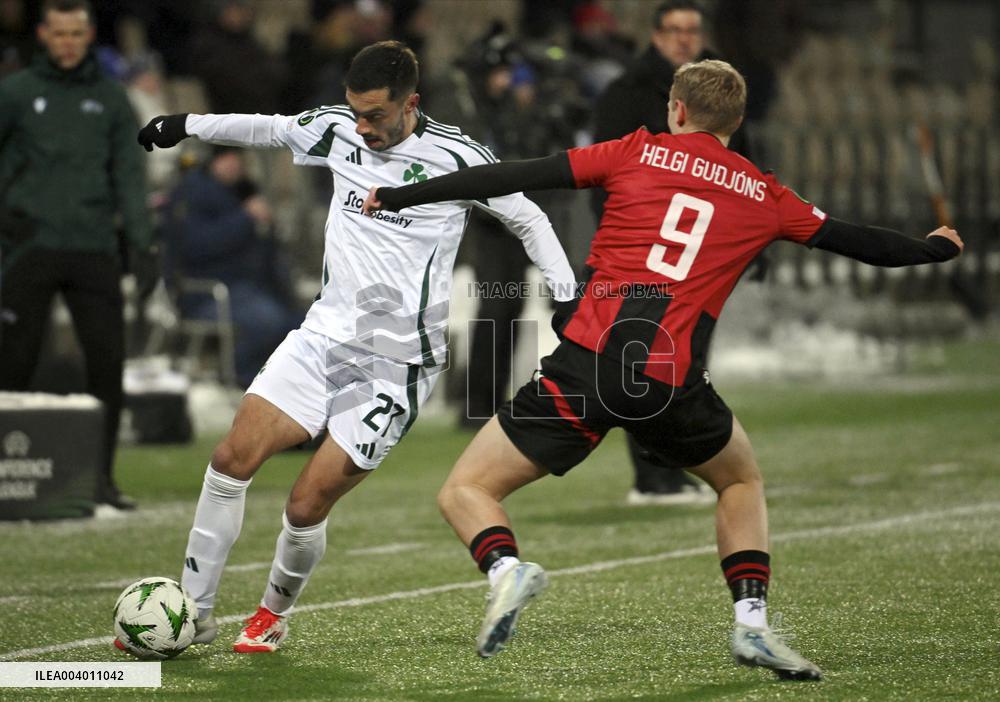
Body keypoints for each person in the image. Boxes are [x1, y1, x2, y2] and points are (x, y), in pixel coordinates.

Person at [363, 59, 963, 679]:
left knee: (467, 489)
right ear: (737, 122)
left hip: (586, 365)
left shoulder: (635, 153)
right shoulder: (765, 194)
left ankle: (507, 569)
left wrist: (402, 195)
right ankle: (752, 625)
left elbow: (512, 175)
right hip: (665, 384)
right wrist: (933, 248)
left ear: (675, 109)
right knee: (740, 482)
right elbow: (858, 239)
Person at [134, 41, 576, 653]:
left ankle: (270, 614)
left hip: (398, 362)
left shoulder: (456, 157)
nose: (362, 128)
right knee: (232, 457)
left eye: (376, 116)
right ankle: (195, 614)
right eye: (355, 112)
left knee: (306, 501)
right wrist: (185, 125)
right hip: (323, 337)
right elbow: (268, 130)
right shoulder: (338, 130)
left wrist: (564, 291)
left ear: (410, 103)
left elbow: (528, 217)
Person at [590, 0, 753, 506]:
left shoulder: (716, 93)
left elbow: (738, 170)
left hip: (700, 251)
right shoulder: (626, 92)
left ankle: (670, 469)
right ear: (656, 35)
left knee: (684, 357)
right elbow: (605, 174)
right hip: (646, 250)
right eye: (675, 30)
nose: (684, 38)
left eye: (692, 30)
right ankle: (654, 475)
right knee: (643, 356)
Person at [0, 0, 153, 511]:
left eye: (76, 33)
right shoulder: (16, 93)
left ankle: (101, 480)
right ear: (43, 34)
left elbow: (130, 176)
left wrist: (142, 242)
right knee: (12, 363)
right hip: (29, 245)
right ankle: (6, 477)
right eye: (59, 32)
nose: (67, 42)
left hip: (92, 247)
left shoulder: (111, 100)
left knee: (107, 364)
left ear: (89, 36)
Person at [163, 147, 303, 388]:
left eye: (239, 158)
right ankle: (240, 376)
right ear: (213, 161)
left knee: (301, 323)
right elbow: (197, 245)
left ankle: (279, 384)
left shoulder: (242, 191)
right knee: (269, 322)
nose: (234, 165)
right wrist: (245, 218)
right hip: (208, 291)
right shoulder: (192, 193)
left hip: (251, 287)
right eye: (226, 158)